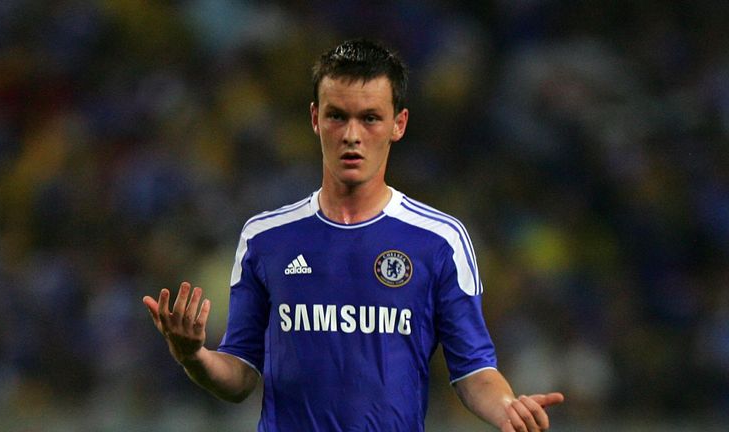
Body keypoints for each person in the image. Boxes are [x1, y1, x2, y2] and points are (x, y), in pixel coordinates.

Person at [143, 38, 564, 431]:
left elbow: (473, 370)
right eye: (337, 116)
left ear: (398, 124)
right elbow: (239, 377)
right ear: (315, 118)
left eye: (370, 118)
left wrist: (509, 407)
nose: (351, 135)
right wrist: (193, 356)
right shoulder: (265, 238)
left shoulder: (439, 240)